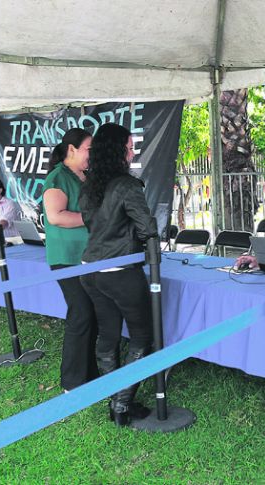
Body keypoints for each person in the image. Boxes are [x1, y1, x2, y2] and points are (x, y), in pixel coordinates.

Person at [78, 123, 158, 426]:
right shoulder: (126, 186)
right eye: (129, 146)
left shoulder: (90, 185)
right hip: (120, 271)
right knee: (142, 337)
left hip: (91, 269)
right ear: (118, 150)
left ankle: (116, 401)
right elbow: (147, 228)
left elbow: (92, 226)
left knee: (108, 336)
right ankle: (122, 404)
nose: (132, 151)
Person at [42, 128, 99, 392]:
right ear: (72, 149)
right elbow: (56, 216)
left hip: (88, 256)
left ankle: (89, 374)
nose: (92, 154)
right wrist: (94, 219)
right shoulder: (58, 177)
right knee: (81, 313)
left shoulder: (85, 175)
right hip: (66, 258)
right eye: (88, 149)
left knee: (91, 313)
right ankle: (72, 382)